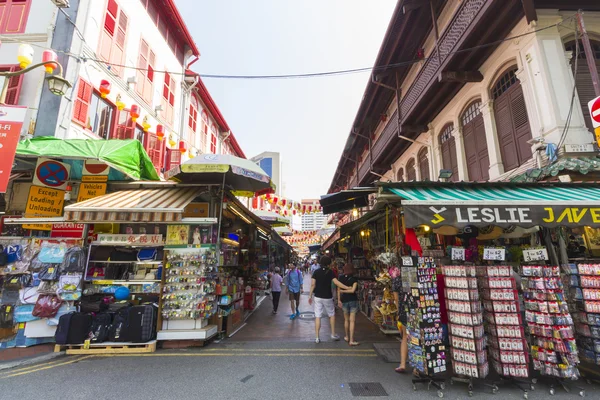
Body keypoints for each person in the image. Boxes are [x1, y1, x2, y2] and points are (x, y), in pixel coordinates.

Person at [308, 255, 350, 343]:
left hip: (318, 296)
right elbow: (336, 282)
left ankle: (317, 337)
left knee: (318, 316)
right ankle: (333, 334)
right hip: (327, 296)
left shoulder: (316, 272)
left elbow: (312, 285)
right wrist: (346, 287)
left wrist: (310, 295)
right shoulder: (330, 272)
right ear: (328, 263)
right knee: (331, 314)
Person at [337, 263, 359, 346]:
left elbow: (338, 290)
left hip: (344, 301)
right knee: (352, 321)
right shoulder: (354, 279)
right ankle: (352, 340)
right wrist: (347, 289)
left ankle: (346, 336)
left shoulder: (341, 278)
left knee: (346, 320)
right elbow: (353, 290)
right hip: (353, 300)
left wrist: (339, 299)